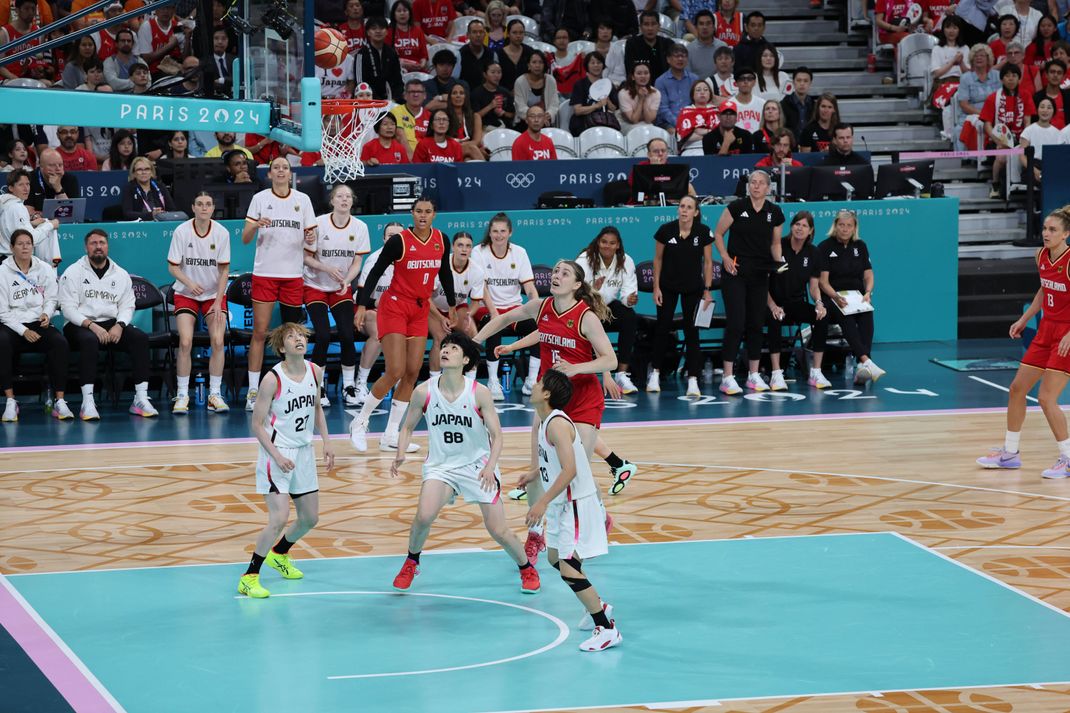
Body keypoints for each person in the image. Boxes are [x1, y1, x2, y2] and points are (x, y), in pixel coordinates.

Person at [389, 332, 541, 593]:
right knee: (423, 516)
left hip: (477, 466)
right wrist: (400, 451)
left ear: (466, 359)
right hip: (442, 467)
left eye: (453, 348)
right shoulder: (423, 392)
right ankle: (412, 561)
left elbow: (497, 436)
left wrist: (491, 466)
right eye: (444, 347)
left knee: (498, 530)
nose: (445, 351)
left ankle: (526, 567)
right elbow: (407, 427)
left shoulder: (479, 393)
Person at [518, 369, 622, 652]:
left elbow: (570, 469)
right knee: (554, 557)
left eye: (539, 383)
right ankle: (596, 603)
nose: (535, 385)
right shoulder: (543, 421)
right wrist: (533, 475)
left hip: (575, 503)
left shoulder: (557, 424)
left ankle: (606, 627)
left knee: (568, 568)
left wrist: (540, 502)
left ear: (548, 394)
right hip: (561, 502)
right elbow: (552, 463)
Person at [349, 197, 458, 452]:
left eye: (428, 211)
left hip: (420, 309)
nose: (422, 215)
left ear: (434, 214)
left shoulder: (441, 240)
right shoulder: (400, 241)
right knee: (395, 370)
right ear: (412, 213)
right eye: (418, 211)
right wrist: (363, 306)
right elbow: (375, 272)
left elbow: (445, 272)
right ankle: (360, 421)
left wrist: (451, 305)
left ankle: (390, 435)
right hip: (395, 306)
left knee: (411, 372)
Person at [237, 323, 334, 599]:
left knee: (309, 518)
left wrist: (326, 442)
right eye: (292, 337)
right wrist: (277, 456)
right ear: (282, 348)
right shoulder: (271, 380)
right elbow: (256, 425)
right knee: (279, 518)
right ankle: (250, 576)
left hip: (304, 452)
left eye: (301, 335)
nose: (299, 339)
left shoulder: (315, 371)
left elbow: (317, 408)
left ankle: (280, 553)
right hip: (276, 453)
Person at [976, 208, 1070, 478]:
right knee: (1017, 388)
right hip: (1045, 331)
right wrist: (1024, 318)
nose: (1046, 234)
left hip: (1066, 336)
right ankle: (1010, 453)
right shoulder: (1041, 255)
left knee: (1046, 398)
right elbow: (1045, 288)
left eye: (1053, 230)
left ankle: (1067, 457)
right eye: (1044, 229)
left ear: (1066, 234)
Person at [241, 158, 318, 411]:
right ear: (270, 173)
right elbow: (245, 238)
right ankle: (253, 391)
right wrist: (255, 225)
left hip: (293, 275)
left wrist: (310, 236)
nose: (281, 171)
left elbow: (311, 238)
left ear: (290, 173)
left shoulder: (302, 200)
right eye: (276, 168)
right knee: (260, 332)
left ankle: (293, 385)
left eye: (285, 167)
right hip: (265, 273)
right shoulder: (260, 199)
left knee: (292, 334)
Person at [59, 229, 157, 420]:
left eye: (102, 243)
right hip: (80, 324)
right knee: (89, 341)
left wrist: (120, 325)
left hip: (111, 324)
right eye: (93, 243)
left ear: (107, 246)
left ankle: (140, 398)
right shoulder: (73, 272)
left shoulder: (120, 274)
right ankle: (87, 402)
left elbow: (128, 305)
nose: (98, 247)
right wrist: (92, 326)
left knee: (139, 339)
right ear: (86, 247)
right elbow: (67, 309)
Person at [713, 170, 785, 395]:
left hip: (760, 273)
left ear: (768, 188)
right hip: (735, 272)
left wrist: (779, 264)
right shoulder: (736, 207)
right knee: (736, 323)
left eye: (761, 183)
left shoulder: (774, 212)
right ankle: (727, 376)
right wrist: (724, 258)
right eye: (752, 182)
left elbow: (775, 244)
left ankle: (754, 374)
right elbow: (717, 234)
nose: (756, 186)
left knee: (755, 323)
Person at [303, 185, 369, 407]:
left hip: (340, 288)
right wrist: (325, 268)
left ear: (352, 201)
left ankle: (348, 386)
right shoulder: (319, 224)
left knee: (347, 334)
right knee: (322, 335)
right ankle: (317, 388)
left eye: (348, 196)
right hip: (314, 285)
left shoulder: (360, 227)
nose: (344, 199)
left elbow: (357, 263)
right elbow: (306, 258)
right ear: (332, 201)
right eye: (339, 196)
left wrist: (346, 281)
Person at [167, 192, 230, 414]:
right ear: (193, 207)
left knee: (218, 340)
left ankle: (215, 393)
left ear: (213, 209)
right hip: (186, 293)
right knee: (185, 342)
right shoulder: (182, 231)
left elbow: (224, 271)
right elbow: (173, 267)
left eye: (208, 204)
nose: (204, 208)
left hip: (213, 294)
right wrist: (189, 282)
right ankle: (183, 394)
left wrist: (219, 300)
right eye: (200, 204)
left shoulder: (221, 233)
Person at [0, 229, 72, 422]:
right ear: (11, 248)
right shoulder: (2, 272)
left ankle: (60, 401)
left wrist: (46, 314)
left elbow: (52, 297)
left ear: (33, 246)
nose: (25, 247)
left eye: (28, 243)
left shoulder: (44, 269)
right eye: (20, 244)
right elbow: (2, 312)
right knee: (1, 342)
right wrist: (24, 331)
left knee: (59, 343)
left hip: (38, 322)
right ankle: (10, 401)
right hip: (12, 324)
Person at [648, 196, 714, 397]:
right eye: (681, 206)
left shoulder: (702, 232)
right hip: (667, 287)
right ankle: (655, 374)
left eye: (689, 207)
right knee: (663, 328)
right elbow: (657, 260)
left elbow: (708, 263)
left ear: (695, 212)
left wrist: (707, 289)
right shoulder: (665, 230)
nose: (684, 210)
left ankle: (693, 379)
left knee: (692, 332)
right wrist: (656, 287)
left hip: (693, 288)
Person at [470, 212, 539, 399]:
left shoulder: (519, 252)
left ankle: (532, 381)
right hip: (487, 307)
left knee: (538, 326)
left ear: (510, 232)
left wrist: (537, 307)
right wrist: (494, 312)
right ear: (489, 233)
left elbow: (530, 288)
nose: (498, 235)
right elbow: (481, 287)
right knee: (495, 326)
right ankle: (493, 380)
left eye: (502, 231)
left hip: (515, 308)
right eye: (495, 231)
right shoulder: (479, 252)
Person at [814, 209, 886, 384]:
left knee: (867, 314)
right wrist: (836, 297)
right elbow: (823, 282)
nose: (845, 229)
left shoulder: (860, 246)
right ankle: (866, 362)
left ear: (854, 228)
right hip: (833, 296)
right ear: (835, 226)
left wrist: (868, 293)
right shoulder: (825, 247)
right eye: (841, 225)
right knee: (846, 315)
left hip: (856, 296)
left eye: (849, 226)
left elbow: (868, 275)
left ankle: (862, 366)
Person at [764, 211, 829, 391]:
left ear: (811, 230)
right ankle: (776, 374)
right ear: (791, 226)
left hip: (796, 303)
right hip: (773, 302)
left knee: (822, 318)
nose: (800, 228)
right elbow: (763, 283)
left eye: (804, 226)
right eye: (797, 224)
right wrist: (773, 306)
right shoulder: (778, 246)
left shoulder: (814, 253)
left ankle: (816, 371)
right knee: (774, 318)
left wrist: (819, 303)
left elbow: (814, 286)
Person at [575, 227, 639, 395]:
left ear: (618, 245)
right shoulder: (585, 259)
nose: (607, 246)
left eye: (612, 243)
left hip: (607, 306)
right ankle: (588, 373)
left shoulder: (626, 261)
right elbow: (574, 291)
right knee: (590, 321)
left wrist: (629, 300)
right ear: (598, 243)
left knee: (629, 317)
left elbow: (627, 293)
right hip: (585, 306)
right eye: (604, 242)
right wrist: (592, 290)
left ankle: (621, 374)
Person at [351, 222, 402, 405]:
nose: (394, 240)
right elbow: (361, 296)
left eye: (398, 236)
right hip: (368, 308)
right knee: (380, 332)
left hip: (395, 311)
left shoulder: (407, 259)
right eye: (390, 236)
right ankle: (361, 383)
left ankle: (398, 379)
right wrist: (378, 302)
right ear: (383, 239)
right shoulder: (375, 260)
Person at [428, 231, 484, 373]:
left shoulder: (477, 271)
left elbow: (476, 302)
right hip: (434, 308)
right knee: (440, 337)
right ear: (453, 247)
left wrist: (469, 316)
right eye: (460, 245)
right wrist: (441, 318)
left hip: (458, 307)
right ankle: (434, 380)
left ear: (471, 249)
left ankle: (471, 380)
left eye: (468, 246)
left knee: (473, 334)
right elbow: (426, 298)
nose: (464, 249)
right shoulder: (440, 264)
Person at [981, 64, 1035, 198]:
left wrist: (1025, 140)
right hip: (998, 139)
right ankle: (995, 185)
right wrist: (997, 141)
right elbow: (987, 125)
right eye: (1007, 75)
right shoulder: (993, 97)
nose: (1011, 79)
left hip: (1020, 138)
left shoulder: (1026, 95)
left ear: (1019, 79)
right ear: (1001, 79)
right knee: (1001, 156)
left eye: (1014, 75)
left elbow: (1027, 122)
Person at [0, 169, 59, 265]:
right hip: (13, 262)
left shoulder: (5, 204)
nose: (26, 188)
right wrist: (50, 225)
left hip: (5, 260)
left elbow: (10, 227)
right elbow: (30, 240)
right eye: (21, 185)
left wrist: (30, 224)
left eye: (27, 184)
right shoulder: (17, 207)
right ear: (11, 188)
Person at [568, 52, 620, 135]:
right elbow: (577, 110)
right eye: (592, 63)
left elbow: (614, 109)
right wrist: (597, 106)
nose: (596, 65)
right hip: (583, 123)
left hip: (605, 122)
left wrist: (608, 100)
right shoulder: (580, 84)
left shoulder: (608, 84)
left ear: (603, 65)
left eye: (599, 62)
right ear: (587, 66)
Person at [655, 44, 701, 130]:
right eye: (676, 56)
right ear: (668, 59)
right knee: (675, 133)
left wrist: (690, 122)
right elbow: (663, 109)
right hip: (667, 122)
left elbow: (698, 103)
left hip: (691, 120)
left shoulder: (694, 79)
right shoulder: (660, 81)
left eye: (683, 56)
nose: (680, 59)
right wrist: (679, 123)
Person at [1017, 96, 1060, 185]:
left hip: (1050, 167)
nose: (1045, 110)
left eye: (1049, 108)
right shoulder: (1029, 130)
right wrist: (1034, 170)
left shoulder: (1058, 133)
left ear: (1054, 111)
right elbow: (1021, 156)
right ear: (1037, 110)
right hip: (1032, 166)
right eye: (1042, 107)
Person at [359, 16, 404, 101]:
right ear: (368, 32)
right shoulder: (361, 54)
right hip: (369, 100)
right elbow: (360, 83)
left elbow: (398, 80)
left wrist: (394, 99)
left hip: (392, 100)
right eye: (374, 28)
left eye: (381, 28)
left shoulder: (392, 52)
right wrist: (376, 100)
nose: (378, 31)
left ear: (387, 31)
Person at [513, 52, 561, 129]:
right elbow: (520, 106)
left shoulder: (550, 80)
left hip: (545, 120)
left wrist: (548, 114)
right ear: (528, 65)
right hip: (525, 121)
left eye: (540, 62)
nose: (537, 65)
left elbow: (554, 103)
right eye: (534, 62)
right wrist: (536, 117)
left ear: (544, 65)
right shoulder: (520, 81)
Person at [625, 10, 675, 78]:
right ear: (640, 27)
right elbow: (630, 70)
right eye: (646, 24)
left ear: (659, 26)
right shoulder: (632, 44)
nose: (650, 28)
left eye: (653, 24)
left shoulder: (668, 44)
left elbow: (673, 70)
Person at [676, 79, 720, 154]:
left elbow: (720, 134)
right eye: (698, 90)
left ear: (710, 94)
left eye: (706, 90)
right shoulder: (685, 112)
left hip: (714, 149)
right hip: (691, 149)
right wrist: (710, 133)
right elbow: (687, 137)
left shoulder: (716, 110)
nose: (702, 92)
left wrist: (702, 131)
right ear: (692, 95)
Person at [391, 79, 432, 155]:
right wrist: (413, 162)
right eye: (412, 92)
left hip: (425, 158)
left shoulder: (430, 116)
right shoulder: (396, 111)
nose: (415, 95)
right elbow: (400, 137)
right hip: (403, 158)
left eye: (419, 92)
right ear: (405, 96)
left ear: (425, 95)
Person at [447, 83, 487, 161]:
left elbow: (477, 141)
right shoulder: (444, 115)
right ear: (450, 97)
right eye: (454, 93)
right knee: (472, 149)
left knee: (468, 159)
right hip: (449, 149)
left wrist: (463, 145)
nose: (458, 96)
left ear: (466, 97)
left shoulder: (475, 116)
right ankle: (489, 173)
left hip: (468, 150)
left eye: (461, 93)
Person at [618, 63, 662, 133]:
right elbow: (634, 120)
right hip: (627, 125)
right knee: (639, 130)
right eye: (639, 73)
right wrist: (641, 99)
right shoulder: (623, 93)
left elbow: (649, 120)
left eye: (646, 73)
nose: (643, 76)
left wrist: (645, 99)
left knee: (652, 130)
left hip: (647, 125)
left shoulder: (656, 93)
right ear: (633, 77)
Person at [472, 62, 517, 129]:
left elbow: (513, 115)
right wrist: (490, 106)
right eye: (493, 72)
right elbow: (474, 117)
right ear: (485, 74)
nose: (496, 75)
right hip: (484, 128)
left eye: (499, 72)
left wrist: (504, 113)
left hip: (505, 128)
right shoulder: (476, 93)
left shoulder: (505, 92)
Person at [388, 0, 429, 72]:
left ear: (410, 13)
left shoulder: (418, 30)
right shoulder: (389, 32)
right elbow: (387, 57)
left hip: (417, 70)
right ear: (393, 14)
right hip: (397, 69)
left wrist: (422, 65)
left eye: (405, 10)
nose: (402, 13)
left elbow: (424, 56)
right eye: (399, 11)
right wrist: (404, 64)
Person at [687, 10, 728, 79]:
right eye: (701, 24)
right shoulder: (689, 49)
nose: (705, 27)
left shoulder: (722, 47)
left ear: (714, 27)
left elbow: (728, 74)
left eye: (708, 23)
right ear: (696, 27)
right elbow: (688, 78)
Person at [499, 19, 535, 91]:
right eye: (514, 33)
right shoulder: (499, 54)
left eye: (521, 33)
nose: (518, 36)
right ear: (508, 34)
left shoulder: (529, 52)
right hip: (504, 94)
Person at [460, 19, 497, 88]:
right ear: (468, 35)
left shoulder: (492, 54)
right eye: (474, 32)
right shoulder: (460, 54)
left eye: (481, 32)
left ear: (485, 35)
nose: (478, 35)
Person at [548, 28, 585, 98]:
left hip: (573, 95)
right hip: (554, 95)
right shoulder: (549, 58)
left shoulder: (575, 58)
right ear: (554, 41)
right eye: (559, 38)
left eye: (564, 37)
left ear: (569, 40)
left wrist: (583, 60)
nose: (562, 40)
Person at [1034, 59, 1070, 129]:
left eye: (1059, 73)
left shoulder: (1068, 96)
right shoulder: (1037, 98)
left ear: (1063, 77)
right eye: (1052, 72)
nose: (1055, 75)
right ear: (1046, 75)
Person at [728, 67, 765, 133]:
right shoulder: (729, 104)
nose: (746, 81)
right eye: (742, 79)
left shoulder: (763, 104)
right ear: (735, 83)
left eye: (750, 79)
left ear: (754, 82)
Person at [782, 67, 816, 136]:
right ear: (793, 82)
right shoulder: (783, 104)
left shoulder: (815, 106)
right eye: (799, 80)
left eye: (805, 81)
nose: (802, 84)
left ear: (810, 83)